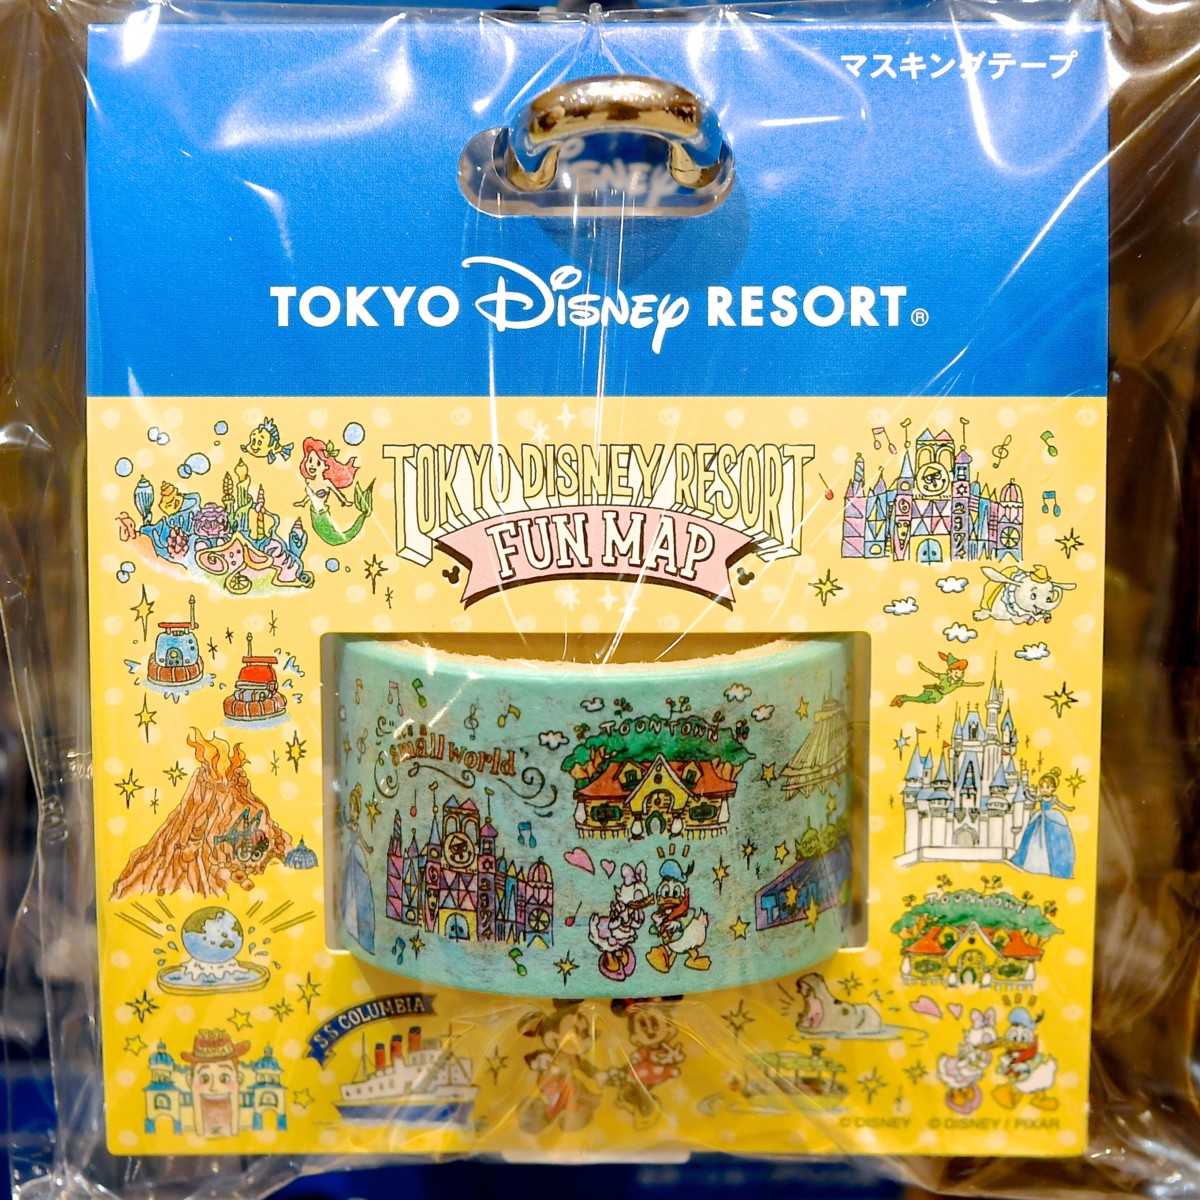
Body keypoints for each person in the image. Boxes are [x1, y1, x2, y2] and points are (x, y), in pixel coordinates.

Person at [1012, 767, 1075, 878]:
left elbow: (1061, 805)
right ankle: (1032, 863)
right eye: (1042, 787)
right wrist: (1027, 794)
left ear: (1053, 788)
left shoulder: (1054, 799)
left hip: (1050, 818)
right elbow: (1033, 800)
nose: (1044, 789)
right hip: (1040, 819)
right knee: (1032, 838)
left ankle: (1050, 866)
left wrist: (1069, 808)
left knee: (1051, 840)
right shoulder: (1040, 797)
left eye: (1047, 787)